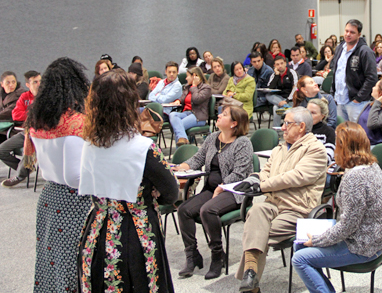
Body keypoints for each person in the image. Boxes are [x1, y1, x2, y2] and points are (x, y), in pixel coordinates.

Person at [78, 69, 177, 292]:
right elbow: (171, 193)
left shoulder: (88, 145)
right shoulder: (143, 148)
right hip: (137, 234)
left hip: (98, 230)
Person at [234, 107, 327, 293]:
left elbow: (297, 176)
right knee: (257, 211)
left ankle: (251, 284)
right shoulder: (280, 148)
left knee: (257, 232)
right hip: (273, 204)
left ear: (301, 127)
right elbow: (266, 170)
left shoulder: (316, 150)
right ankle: (250, 275)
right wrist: (254, 178)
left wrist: (262, 186)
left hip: (297, 210)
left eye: (287, 123)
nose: (282, 128)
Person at [293, 121, 382, 293]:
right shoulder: (372, 166)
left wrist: (318, 239)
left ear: (344, 147)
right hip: (366, 236)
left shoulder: (356, 177)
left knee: (300, 258)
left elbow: (348, 226)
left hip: (363, 245)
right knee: (298, 245)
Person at [24, 57, 92, 292]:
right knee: (73, 266)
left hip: (49, 197)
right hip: (74, 203)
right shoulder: (75, 123)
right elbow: (75, 177)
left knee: (50, 264)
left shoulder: (37, 120)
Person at [174, 105, 253, 280]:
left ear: (234, 123)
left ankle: (218, 256)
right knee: (184, 210)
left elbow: (240, 173)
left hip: (235, 191)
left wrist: (221, 187)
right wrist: (181, 167)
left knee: (207, 210)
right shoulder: (212, 138)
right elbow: (198, 159)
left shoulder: (243, 143)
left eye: (224, 115)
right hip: (212, 189)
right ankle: (192, 255)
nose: (218, 116)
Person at [331, 19, 378, 123]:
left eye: (352, 32)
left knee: (358, 134)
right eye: (346, 31)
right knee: (343, 133)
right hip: (340, 99)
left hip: (356, 103)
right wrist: (333, 92)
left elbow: (372, 78)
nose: (348, 34)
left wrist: (358, 98)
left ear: (359, 34)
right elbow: (336, 72)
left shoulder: (365, 51)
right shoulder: (340, 48)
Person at [0, 71, 41, 187]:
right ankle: (25, 168)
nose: (39, 84)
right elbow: (16, 115)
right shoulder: (25, 97)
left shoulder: (46, 97)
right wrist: (33, 114)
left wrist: (29, 114)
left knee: (27, 150)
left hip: (41, 133)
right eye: (35, 82)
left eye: (40, 81)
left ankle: (20, 175)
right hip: (26, 131)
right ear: (28, 84)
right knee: (1, 150)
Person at [169, 67, 212, 146]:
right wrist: (178, 101)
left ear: (194, 76)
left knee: (178, 126)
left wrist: (194, 86)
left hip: (198, 116)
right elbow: (183, 98)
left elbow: (196, 99)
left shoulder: (206, 88)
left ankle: (182, 153)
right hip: (186, 113)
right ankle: (184, 140)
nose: (186, 78)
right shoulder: (187, 87)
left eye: (187, 76)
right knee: (172, 114)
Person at [266, 56, 299, 126]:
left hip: (291, 100)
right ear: (274, 66)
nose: (280, 66)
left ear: (285, 63)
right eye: (277, 64)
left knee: (276, 108)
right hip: (279, 99)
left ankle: (276, 132)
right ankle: (284, 106)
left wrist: (287, 101)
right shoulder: (273, 75)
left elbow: (295, 88)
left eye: (281, 63)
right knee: (268, 95)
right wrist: (277, 76)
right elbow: (270, 89)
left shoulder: (292, 73)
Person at [306, 98, 336, 165]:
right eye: (307, 112)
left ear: (322, 116)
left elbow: (327, 158)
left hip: (319, 168)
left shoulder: (328, 131)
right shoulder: (300, 129)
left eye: (313, 113)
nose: (309, 115)